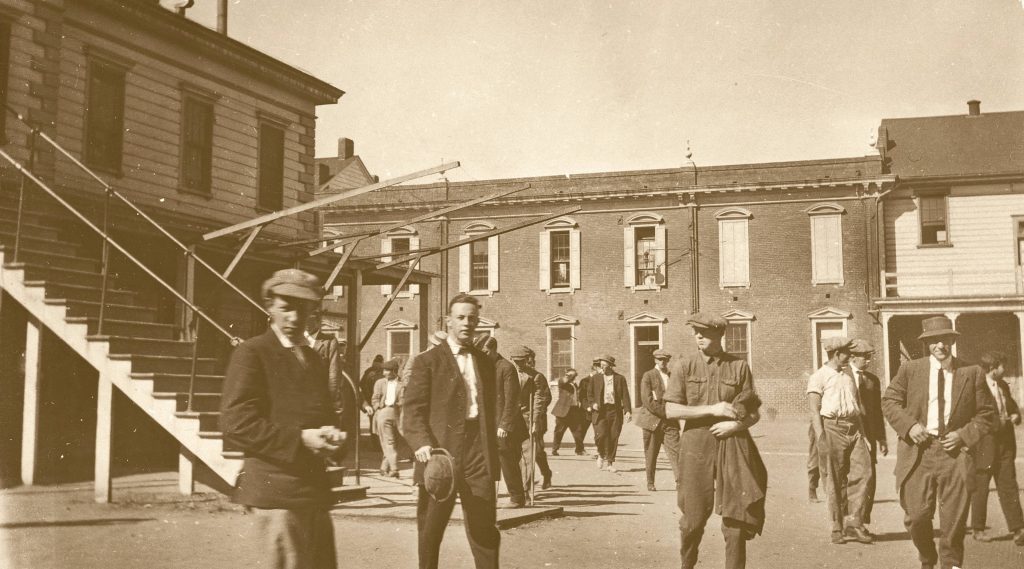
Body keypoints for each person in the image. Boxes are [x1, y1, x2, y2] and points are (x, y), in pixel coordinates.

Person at [220, 268, 345, 569]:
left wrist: (331, 435)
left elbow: (319, 415)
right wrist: (301, 439)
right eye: (286, 307)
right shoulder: (253, 353)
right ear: (269, 306)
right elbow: (235, 422)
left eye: (302, 309)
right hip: (275, 497)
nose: (294, 318)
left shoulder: (313, 358)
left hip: (312, 496)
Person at [882, 315, 997, 569]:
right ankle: (927, 557)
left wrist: (963, 435)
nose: (940, 346)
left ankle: (950, 563)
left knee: (954, 518)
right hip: (918, 453)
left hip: (954, 454)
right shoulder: (911, 370)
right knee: (916, 516)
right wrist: (909, 426)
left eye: (945, 340)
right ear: (927, 344)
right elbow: (889, 401)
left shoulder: (971, 372)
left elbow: (987, 413)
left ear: (952, 341)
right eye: (934, 341)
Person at [402, 294, 500, 569]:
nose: (466, 323)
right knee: (431, 530)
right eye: (460, 317)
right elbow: (412, 409)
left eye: (472, 318)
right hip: (439, 455)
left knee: (484, 527)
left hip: (477, 453)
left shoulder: (484, 361)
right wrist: (421, 443)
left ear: (478, 322)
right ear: (448, 321)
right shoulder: (427, 361)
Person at [660, 312, 761, 569]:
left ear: (720, 335)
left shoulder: (739, 367)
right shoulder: (684, 365)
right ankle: (687, 565)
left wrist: (736, 424)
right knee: (692, 520)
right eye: (695, 332)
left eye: (704, 332)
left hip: (733, 444)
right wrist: (712, 409)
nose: (698, 336)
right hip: (696, 445)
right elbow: (672, 410)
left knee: (736, 518)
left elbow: (753, 412)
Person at [807, 336, 873, 545]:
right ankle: (837, 526)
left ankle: (854, 523)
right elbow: (814, 411)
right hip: (832, 428)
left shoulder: (848, 376)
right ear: (836, 354)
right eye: (847, 352)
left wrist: (863, 434)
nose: (850, 356)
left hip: (854, 429)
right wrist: (821, 438)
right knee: (834, 479)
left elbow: (856, 407)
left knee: (864, 474)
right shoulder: (818, 377)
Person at [970, 351, 1024, 545]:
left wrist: (1015, 415)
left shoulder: (1002, 385)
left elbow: (1011, 406)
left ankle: (1018, 529)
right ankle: (977, 529)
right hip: (984, 445)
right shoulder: (977, 387)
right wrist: (997, 422)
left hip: (1004, 445)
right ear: (993, 368)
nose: (1005, 370)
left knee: (1009, 485)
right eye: (1003, 366)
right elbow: (975, 416)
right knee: (980, 489)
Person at [480, 335, 527, 508]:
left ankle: (517, 497)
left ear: (493, 349)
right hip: (487, 423)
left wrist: (505, 424)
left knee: (507, 460)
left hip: (505, 425)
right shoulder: (484, 367)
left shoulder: (506, 367)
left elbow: (512, 400)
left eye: (485, 351)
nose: (483, 354)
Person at [848, 339, 888, 534]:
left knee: (869, 477)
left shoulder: (873, 380)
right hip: (847, 435)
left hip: (869, 436)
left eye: (870, 356)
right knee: (849, 478)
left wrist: (881, 438)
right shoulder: (841, 375)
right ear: (853, 357)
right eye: (865, 357)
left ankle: (861, 520)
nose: (869, 361)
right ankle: (846, 522)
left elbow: (877, 412)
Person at [636, 349, 680, 491]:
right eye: (660, 359)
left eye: (666, 359)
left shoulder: (672, 376)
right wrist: (666, 412)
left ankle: (680, 481)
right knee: (651, 453)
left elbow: (678, 396)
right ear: (655, 360)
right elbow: (647, 400)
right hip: (652, 421)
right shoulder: (648, 376)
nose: (663, 362)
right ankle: (650, 482)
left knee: (677, 452)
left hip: (670, 422)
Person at [510, 346, 552, 491]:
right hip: (512, 419)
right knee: (515, 455)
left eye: (521, 361)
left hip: (530, 418)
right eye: (515, 361)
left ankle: (527, 488)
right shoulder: (509, 373)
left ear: (527, 360)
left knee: (532, 454)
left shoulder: (536, 376)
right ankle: (521, 486)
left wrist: (535, 421)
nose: (518, 364)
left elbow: (541, 399)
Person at [582, 355, 630, 472]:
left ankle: (610, 463)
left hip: (615, 411)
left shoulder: (620, 378)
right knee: (601, 435)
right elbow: (589, 394)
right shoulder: (595, 378)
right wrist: (593, 404)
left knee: (614, 436)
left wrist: (628, 410)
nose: (602, 368)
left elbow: (625, 395)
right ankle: (600, 453)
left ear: (610, 366)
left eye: (604, 366)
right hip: (600, 411)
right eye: (601, 366)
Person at [371, 358, 405, 478]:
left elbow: (404, 399)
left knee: (395, 442)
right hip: (384, 412)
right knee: (389, 441)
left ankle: (384, 467)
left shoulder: (402, 383)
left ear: (394, 371)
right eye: (384, 370)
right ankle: (394, 469)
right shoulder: (380, 382)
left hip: (398, 413)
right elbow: (375, 398)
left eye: (387, 370)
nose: (384, 373)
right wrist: (378, 409)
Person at [551, 368, 588, 456]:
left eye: (574, 375)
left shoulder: (574, 384)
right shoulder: (562, 381)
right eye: (571, 375)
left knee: (578, 431)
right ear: (567, 374)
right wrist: (568, 375)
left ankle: (579, 450)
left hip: (574, 410)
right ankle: (554, 449)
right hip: (563, 411)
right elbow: (563, 380)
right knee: (559, 431)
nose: (573, 377)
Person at [360, 354, 385, 450]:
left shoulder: (368, 371)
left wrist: (367, 396)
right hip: (381, 401)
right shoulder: (383, 372)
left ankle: (375, 444)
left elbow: (361, 384)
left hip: (370, 401)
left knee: (373, 423)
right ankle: (381, 444)